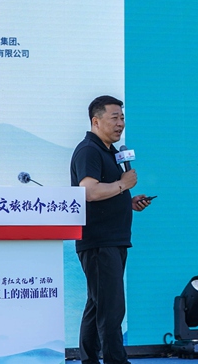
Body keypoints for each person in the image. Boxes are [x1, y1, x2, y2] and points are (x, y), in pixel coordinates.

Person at [70, 95, 152, 364]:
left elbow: (107, 192)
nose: (120, 124)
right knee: (111, 308)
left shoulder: (110, 152)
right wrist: (123, 185)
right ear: (96, 121)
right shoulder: (89, 150)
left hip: (112, 240)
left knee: (98, 305)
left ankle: (90, 360)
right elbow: (89, 191)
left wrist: (128, 201)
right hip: (99, 241)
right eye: (114, 118)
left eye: (122, 118)